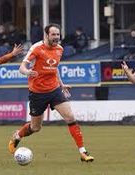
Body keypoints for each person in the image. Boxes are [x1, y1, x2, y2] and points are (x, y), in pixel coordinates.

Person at [8, 23, 94, 162]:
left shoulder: (59, 49)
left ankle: (83, 152)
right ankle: (17, 135)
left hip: (54, 90)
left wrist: (61, 84)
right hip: (37, 93)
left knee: (70, 117)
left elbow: (55, 68)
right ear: (46, 35)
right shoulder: (36, 48)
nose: (56, 37)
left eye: (58, 35)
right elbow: (21, 67)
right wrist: (28, 72)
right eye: (53, 34)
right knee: (35, 127)